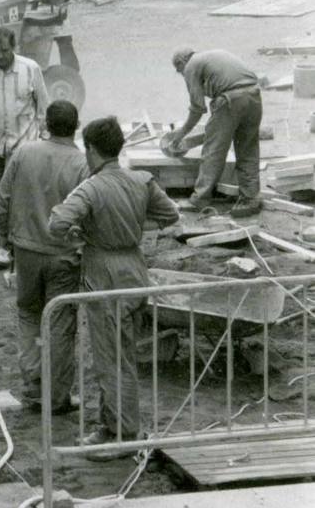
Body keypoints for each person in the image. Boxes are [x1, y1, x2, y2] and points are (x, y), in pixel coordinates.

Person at [49, 116, 179, 449]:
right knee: (125, 356)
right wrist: (132, 227)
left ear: (91, 149)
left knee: (110, 360)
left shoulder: (91, 187)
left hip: (105, 274)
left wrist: (86, 232)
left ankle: (122, 432)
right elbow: (170, 216)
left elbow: (57, 223)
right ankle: (115, 425)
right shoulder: (141, 180)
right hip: (135, 268)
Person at [0, 100, 88, 414]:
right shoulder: (82, 163)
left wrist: (5, 239)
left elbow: (2, 201)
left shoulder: (23, 153)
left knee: (30, 316)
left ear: (46, 124)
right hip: (63, 255)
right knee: (60, 324)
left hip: (27, 251)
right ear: (76, 127)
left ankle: (33, 388)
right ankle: (58, 396)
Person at [0, 25, 48, 268]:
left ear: (13, 47)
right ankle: (8, 243)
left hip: (25, 147)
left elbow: (43, 110)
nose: (0, 56)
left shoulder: (30, 69)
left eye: (4, 50)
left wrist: (44, 142)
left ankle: (15, 244)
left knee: (23, 196)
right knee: (4, 197)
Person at [166, 47, 262, 218]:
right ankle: (251, 198)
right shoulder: (213, 55)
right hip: (254, 95)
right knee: (248, 149)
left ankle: (199, 199)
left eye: (179, 72)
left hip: (230, 100)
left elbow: (197, 108)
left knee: (213, 151)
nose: (183, 75)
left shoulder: (191, 66)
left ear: (181, 63)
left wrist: (180, 134)